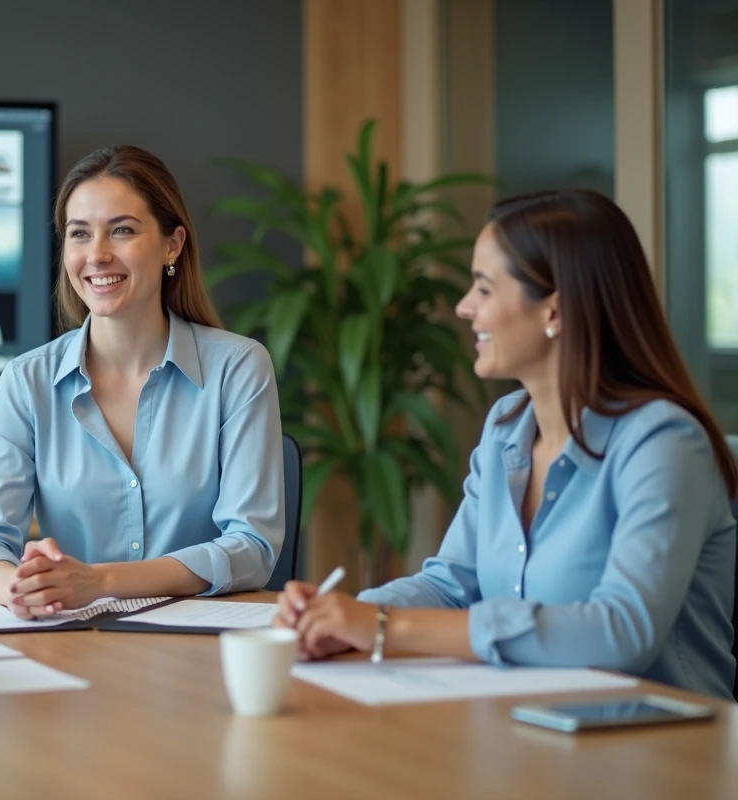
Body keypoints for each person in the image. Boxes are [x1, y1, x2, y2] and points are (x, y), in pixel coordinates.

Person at [275, 188, 738, 699]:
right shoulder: (506, 428)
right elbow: (452, 584)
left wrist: (385, 627)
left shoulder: (663, 443)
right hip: (526, 725)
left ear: (555, 312)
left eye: (484, 290)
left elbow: (622, 631)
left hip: (664, 752)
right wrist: (340, 617)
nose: (465, 308)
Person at [0, 145, 284, 618]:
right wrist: (24, 588)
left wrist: (101, 581)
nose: (97, 255)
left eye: (123, 230)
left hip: (198, 656)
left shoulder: (238, 368)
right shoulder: (27, 382)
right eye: (79, 234)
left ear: (173, 244)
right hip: (73, 641)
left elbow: (251, 550)